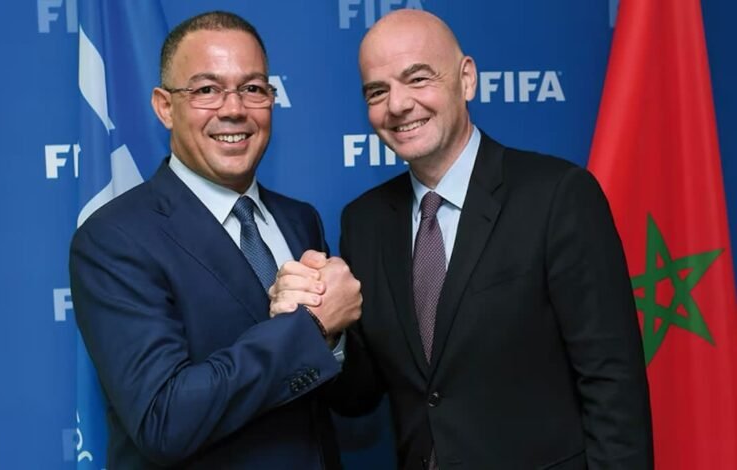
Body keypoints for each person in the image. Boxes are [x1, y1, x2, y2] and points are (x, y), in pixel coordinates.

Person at [270, 9, 653, 469]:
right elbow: (360, 395)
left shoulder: (557, 196)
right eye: (377, 91)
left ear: (466, 79)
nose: (398, 105)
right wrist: (325, 332)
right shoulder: (364, 222)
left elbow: (613, 384)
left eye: (417, 78)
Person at [69, 11, 361, 469]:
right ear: (165, 106)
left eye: (253, 88)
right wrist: (312, 327)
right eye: (207, 90)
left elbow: (339, 396)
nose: (234, 109)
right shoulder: (113, 238)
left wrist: (336, 337)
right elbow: (164, 420)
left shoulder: (299, 219)